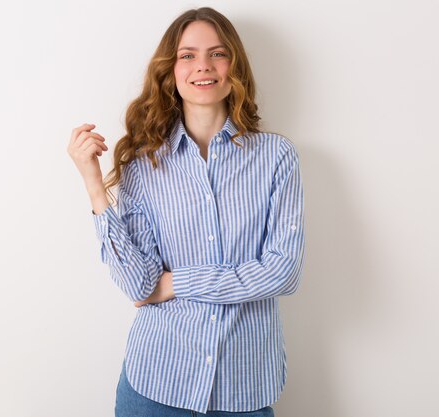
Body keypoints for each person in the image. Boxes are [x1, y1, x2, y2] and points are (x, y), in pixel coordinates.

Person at [67, 7, 305, 417]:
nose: (204, 66)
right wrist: (93, 183)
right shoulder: (144, 164)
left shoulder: (276, 157)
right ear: (171, 70)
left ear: (235, 66)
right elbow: (139, 284)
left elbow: (283, 272)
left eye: (217, 53)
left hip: (243, 388)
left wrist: (175, 283)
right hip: (157, 383)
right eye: (188, 55)